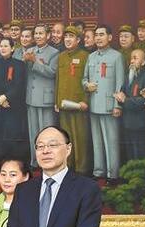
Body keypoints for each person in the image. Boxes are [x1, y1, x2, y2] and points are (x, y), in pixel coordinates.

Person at [83, 25, 125, 182]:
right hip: (94, 104)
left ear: (110, 37)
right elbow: (84, 79)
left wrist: (117, 105)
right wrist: (87, 85)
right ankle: (98, 171)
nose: (98, 38)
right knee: (97, 141)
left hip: (109, 105)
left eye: (102, 34)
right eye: (96, 35)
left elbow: (120, 83)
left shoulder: (117, 56)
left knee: (111, 141)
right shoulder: (91, 56)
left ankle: (112, 174)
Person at [55, 26, 91, 175]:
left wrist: (85, 101)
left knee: (80, 137)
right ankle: (68, 166)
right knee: (66, 137)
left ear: (78, 40)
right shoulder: (61, 56)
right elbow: (57, 80)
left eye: (71, 37)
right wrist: (56, 101)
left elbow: (88, 79)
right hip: (64, 103)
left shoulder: (85, 56)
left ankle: (81, 168)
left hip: (78, 103)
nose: (68, 40)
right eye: (66, 37)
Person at [23, 24, 59, 167]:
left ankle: (49, 162)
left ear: (48, 36)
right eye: (36, 34)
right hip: (31, 97)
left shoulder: (54, 53)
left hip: (45, 98)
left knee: (47, 133)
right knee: (34, 132)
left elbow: (52, 72)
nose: (38, 36)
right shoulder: (29, 50)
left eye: (41, 33)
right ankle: (35, 161)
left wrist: (35, 62)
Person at [0, 36, 28, 162]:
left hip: (14, 105)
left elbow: (19, 85)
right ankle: (0, 161)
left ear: (12, 48)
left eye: (6, 46)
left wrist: (6, 97)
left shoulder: (19, 64)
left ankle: (14, 161)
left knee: (13, 133)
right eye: (1, 46)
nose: (3, 48)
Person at [117, 49, 145, 161]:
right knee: (130, 154)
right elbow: (122, 94)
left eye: (135, 58)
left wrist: (125, 100)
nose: (132, 61)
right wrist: (119, 98)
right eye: (131, 58)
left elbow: (144, 100)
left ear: (143, 62)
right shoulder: (128, 76)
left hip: (140, 122)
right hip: (127, 121)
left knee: (140, 153)